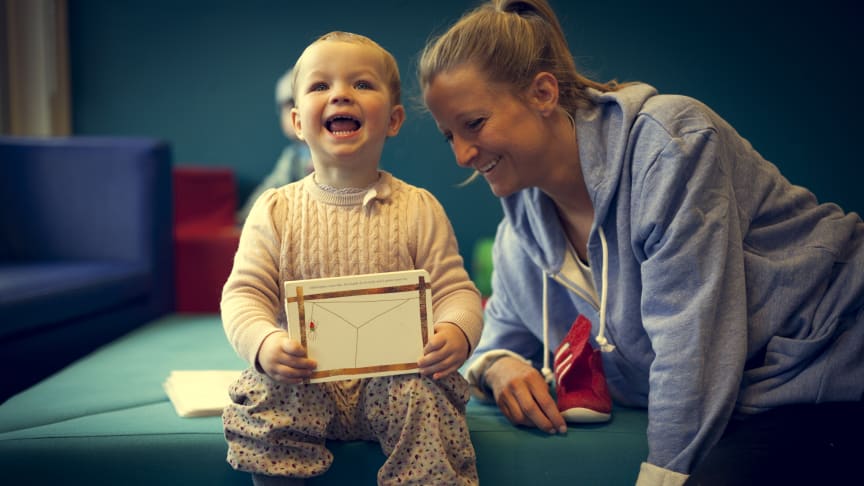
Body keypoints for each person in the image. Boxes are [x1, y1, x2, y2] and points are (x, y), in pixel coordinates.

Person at [418, 0, 864, 485]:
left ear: (543, 93)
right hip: (755, 401)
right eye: (448, 137)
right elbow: (496, 337)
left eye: (474, 124)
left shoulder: (671, 145)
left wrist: (661, 477)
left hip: (831, 368)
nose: (462, 155)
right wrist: (499, 367)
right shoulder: (518, 234)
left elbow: (691, 346)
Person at [222, 31, 483, 486]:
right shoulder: (275, 210)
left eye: (361, 84)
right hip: (304, 379)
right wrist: (264, 344)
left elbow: (455, 290)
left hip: (396, 383)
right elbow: (244, 295)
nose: (341, 93)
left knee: (427, 401)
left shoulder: (419, 208)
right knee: (266, 395)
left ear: (394, 119)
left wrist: (456, 329)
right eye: (321, 86)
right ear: (299, 122)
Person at [236, 67, 314, 224]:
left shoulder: (340, 152)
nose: (295, 113)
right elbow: (270, 187)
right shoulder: (293, 157)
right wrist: (244, 217)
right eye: (288, 108)